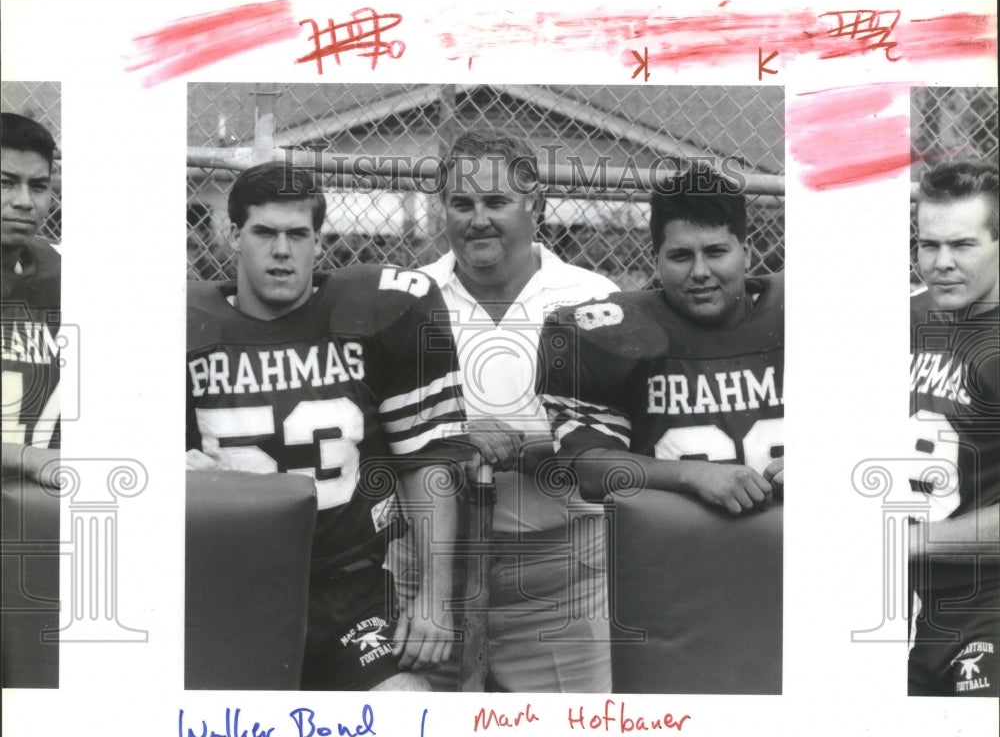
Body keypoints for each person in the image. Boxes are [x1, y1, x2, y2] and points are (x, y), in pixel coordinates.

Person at [186, 162, 466, 691]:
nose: (282, 250)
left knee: (409, 710)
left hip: (348, 587)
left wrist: (433, 598)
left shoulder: (376, 313)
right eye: (264, 233)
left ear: (319, 240)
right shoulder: (181, 325)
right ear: (232, 236)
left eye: (298, 234)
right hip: (224, 585)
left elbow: (428, 458)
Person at [389, 129, 619, 692]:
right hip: (430, 569)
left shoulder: (591, 298)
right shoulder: (404, 298)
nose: (477, 220)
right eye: (461, 204)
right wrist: (454, 436)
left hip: (559, 572)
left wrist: (523, 445)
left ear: (534, 204)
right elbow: (382, 431)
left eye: (496, 202)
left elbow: (616, 446)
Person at [539, 163, 784, 512]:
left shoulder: (801, 314)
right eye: (681, 256)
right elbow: (588, 467)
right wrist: (692, 475)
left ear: (746, 253)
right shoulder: (609, 333)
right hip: (671, 554)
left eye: (716, 251)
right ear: (656, 260)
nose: (700, 272)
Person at [908, 158, 999, 697]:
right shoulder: (905, 316)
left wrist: (907, 542)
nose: (941, 263)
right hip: (903, 602)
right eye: (927, 245)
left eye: (963, 246)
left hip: (986, 604)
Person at [1, 112, 61, 488]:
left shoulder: (67, 272)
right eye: (5, 183)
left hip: (45, 504)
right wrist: (27, 456)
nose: (25, 201)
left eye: (38, 186)